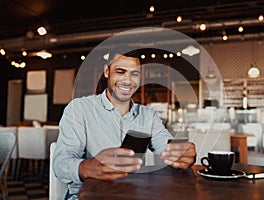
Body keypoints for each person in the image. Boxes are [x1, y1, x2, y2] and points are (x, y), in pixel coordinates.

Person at [52, 47, 196, 200]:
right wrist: (86, 167)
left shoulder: (148, 115)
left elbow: (166, 147)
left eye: (134, 74)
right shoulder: (79, 109)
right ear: (107, 72)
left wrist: (180, 153)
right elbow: (61, 163)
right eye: (120, 72)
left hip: (133, 194)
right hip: (87, 196)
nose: (128, 81)